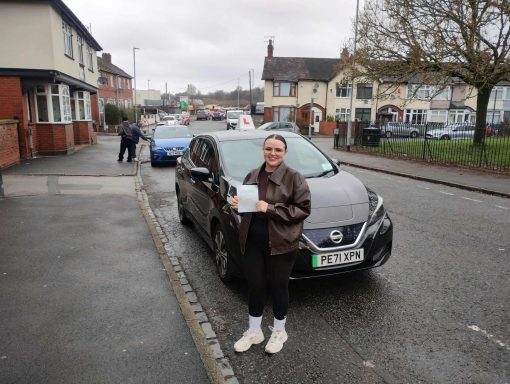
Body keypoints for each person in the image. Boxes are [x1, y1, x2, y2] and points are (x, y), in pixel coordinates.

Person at [231, 134, 311, 354]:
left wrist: (271, 209)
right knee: (255, 286)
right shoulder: (253, 174)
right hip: (253, 241)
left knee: (278, 287)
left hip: (282, 244)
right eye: (268, 149)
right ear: (263, 151)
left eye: (277, 149)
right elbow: (248, 207)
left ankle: (279, 331)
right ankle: (255, 331)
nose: (272, 153)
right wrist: (237, 204)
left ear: (285, 152)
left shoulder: (295, 178)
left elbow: (302, 209)